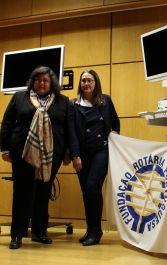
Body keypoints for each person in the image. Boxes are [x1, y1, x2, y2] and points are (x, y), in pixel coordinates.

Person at [0, 66, 71, 249]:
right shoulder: (19, 97)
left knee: (43, 193)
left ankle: (40, 232)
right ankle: (17, 235)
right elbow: (7, 123)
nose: (42, 83)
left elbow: (69, 128)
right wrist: (5, 149)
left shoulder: (63, 101)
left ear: (52, 83)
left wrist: (68, 152)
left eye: (46, 80)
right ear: (33, 81)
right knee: (23, 193)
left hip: (51, 153)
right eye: (38, 79)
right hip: (23, 152)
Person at [67, 69, 120, 246]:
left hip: (101, 151)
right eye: (83, 81)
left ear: (95, 82)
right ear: (80, 84)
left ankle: (96, 230)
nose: (86, 84)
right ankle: (90, 228)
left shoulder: (105, 101)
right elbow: (72, 131)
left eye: (90, 80)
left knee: (93, 187)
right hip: (82, 153)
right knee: (85, 191)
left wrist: (114, 135)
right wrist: (75, 155)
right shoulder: (73, 104)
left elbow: (116, 121)